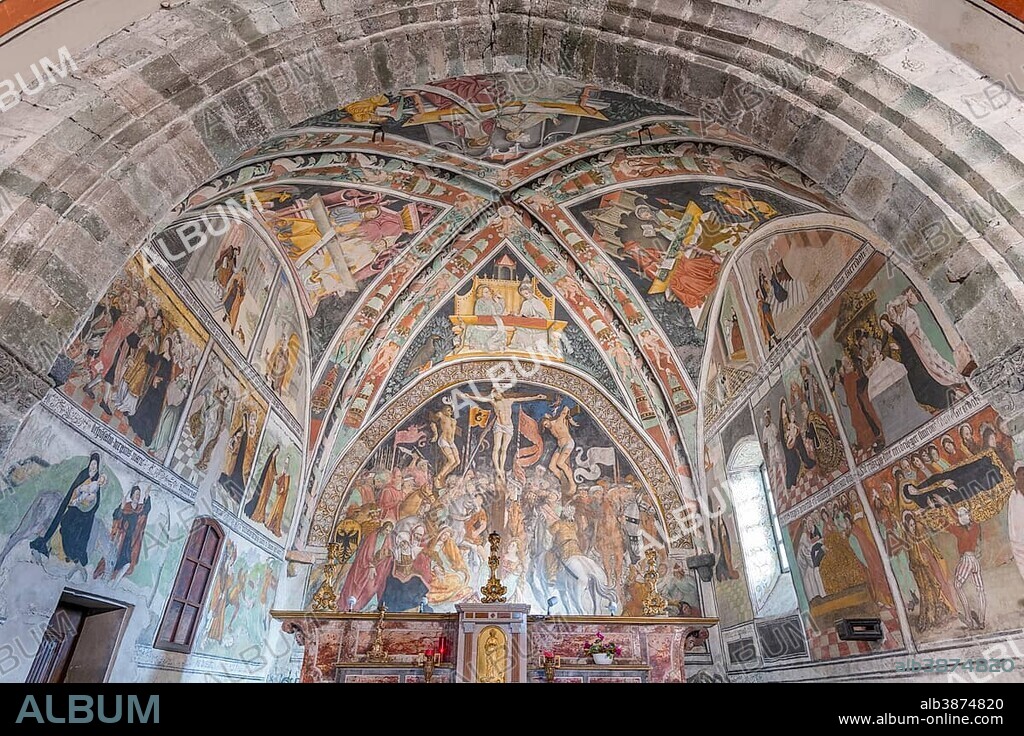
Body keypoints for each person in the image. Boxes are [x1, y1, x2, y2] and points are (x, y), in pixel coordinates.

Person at [30, 454, 104, 575]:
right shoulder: (83, 474)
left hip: (84, 514)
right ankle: (45, 547)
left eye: (96, 464)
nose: (93, 466)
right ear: (89, 463)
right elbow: (74, 490)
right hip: (73, 507)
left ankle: (71, 557)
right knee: (64, 526)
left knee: (77, 534)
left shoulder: (96, 480)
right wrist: (80, 490)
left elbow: (96, 501)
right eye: (92, 463)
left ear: (98, 466)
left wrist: (90, 502)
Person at [947, 506, 986, 630]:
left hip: (966, 560)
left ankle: (969, 619)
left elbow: (947, 524)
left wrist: (944, 507)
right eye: (959, 515)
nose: (960, 517)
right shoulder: (975, 527)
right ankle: (982, 620)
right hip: (974, 561)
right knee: (980, 590)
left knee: (957, 585)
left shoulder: (960, 531)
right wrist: (949, 508)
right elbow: (959, 518)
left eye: (961, 515)